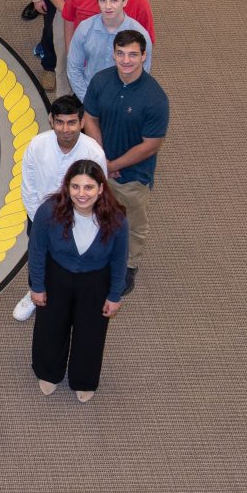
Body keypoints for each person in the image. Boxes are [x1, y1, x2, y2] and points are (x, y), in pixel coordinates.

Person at [29, 159, 128, 403]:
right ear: (67, 187)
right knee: (50, 327)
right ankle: (49, 372)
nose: (81, 194)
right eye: (75, 187)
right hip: (57, 277)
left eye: (88, 187)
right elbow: (37, 250)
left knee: (91, 333)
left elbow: (119, 259)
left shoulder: (116, 219)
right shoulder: (49, 211)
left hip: (95, 282)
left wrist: (115, 295)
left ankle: (84, 379)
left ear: (101, 188)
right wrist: (37, 286)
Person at [83, 30, 169, 296]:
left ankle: (129, 265)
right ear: (113, 53)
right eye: (120, 53)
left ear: (144, 56)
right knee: (94, 213)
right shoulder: (101, 81)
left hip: (133, 176)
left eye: (133, 54)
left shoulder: (155, 98)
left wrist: (113, 164)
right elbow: (90, 117)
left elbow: (150, 145)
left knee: (132, 222)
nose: (126, 60)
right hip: (100, 167)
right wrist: (101, 158)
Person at [13, 95, 107, 321]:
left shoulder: (94, 153)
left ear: (82, 122)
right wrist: (42, 222)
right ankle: (34, 291)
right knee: (39, 256)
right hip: (41, 217)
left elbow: (99, 194)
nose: (66, 129)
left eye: (72, 122)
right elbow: (29, 187)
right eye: (60, 122)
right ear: (51, 121)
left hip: (81, 219)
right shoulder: (37, 146)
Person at [67, 0, 153, 99]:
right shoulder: (84, 28)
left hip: (123, 98)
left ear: (125, 2)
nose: (108, 6)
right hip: (90, 94)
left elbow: (142, 74)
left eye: (114, 0)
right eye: (103, 0)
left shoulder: (140, 35)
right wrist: (87, 100)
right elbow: (74, 68)